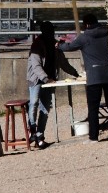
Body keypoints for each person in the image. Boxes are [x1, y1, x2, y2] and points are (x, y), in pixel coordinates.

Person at [25, 21, 75, 149]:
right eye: (49, 30)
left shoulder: (55, 45)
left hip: (50, 79)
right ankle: (32, 128)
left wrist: (75, 73)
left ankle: (40, 136)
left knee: (45, 108)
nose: (51, 33)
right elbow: (36, 66)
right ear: (44, 31)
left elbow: (63, 63)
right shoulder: (36, 45)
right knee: (34, 102)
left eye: (52, 30)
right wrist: (45, 78)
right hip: (36, 79)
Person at [67, 19, 108, 142]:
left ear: (87, 25)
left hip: (94, 76)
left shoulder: (84, 38)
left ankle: (93, 136)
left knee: (93, 108)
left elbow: (69, 47)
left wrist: (58, 45)